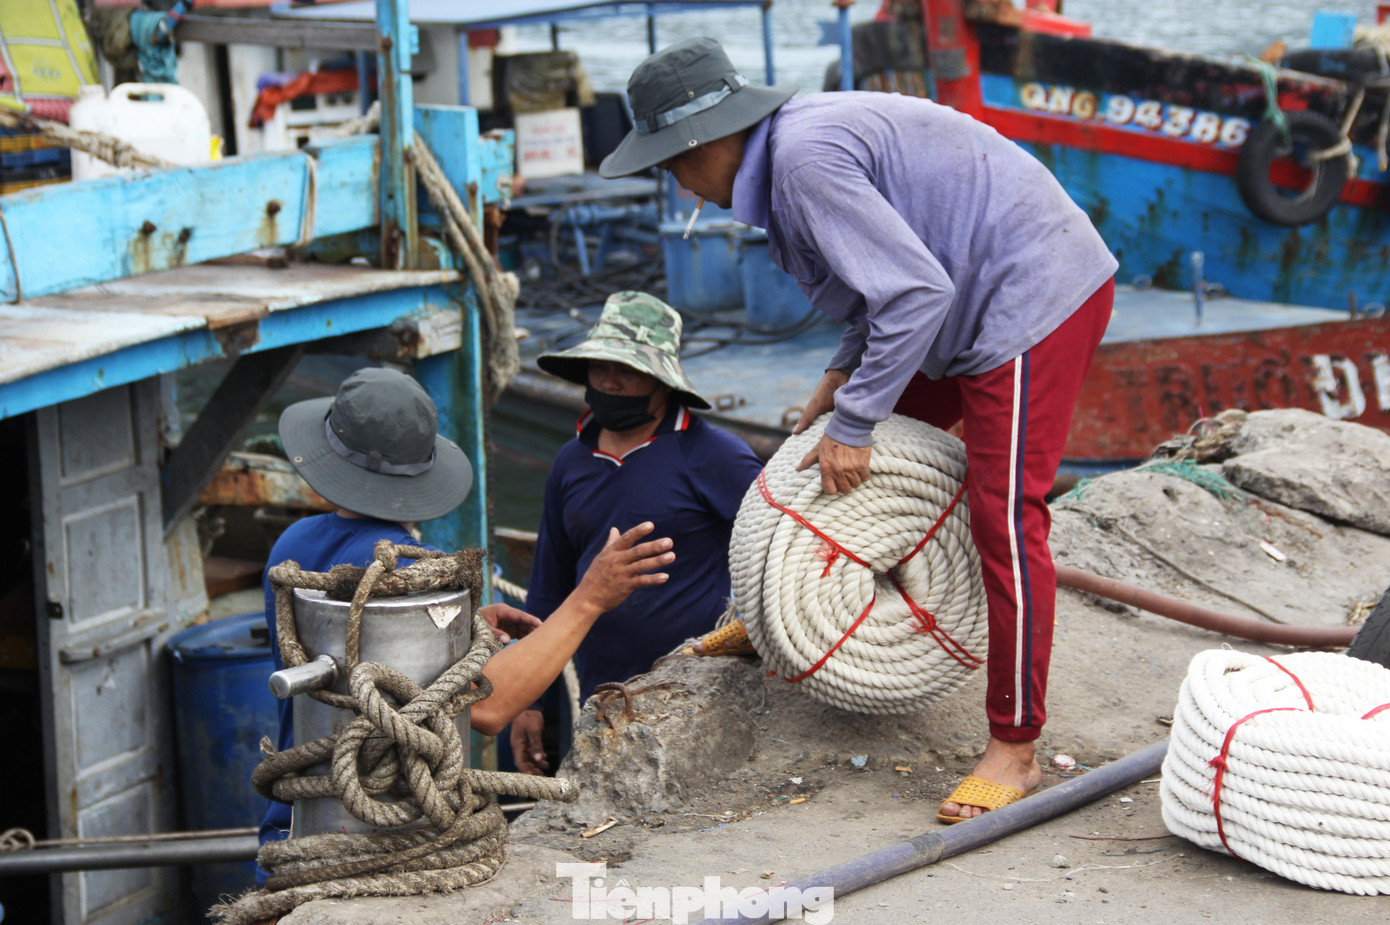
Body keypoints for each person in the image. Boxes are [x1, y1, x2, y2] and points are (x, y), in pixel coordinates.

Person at [600, 38, 1118, 823]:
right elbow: (885, 284)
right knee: (824, 451)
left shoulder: (803, 161)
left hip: (1029, 294)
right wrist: (843, 378)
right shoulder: (790, 155)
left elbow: (913, 293)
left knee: (1005, 515)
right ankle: (780, 619)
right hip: (957, 297)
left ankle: (1015, 745)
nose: (678, 183)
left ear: (704, 144)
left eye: (673, 164)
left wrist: (857, 418)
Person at [258, 366, 674, 864]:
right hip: (382, 839)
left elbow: (367, 654)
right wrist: (591, 598)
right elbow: (489, 709)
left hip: (296, 827)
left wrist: (457, 629)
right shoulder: (415, 572)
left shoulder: (293, 546)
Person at [511, 291, 764, 774]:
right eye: (600, 367)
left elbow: (783, 543)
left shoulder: (714, 456)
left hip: (698, 692)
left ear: (663, 381)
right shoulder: (570, 462)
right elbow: (548, 585)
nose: (610, 381)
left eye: (627, 370)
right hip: (601, 696)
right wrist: (530, 701)